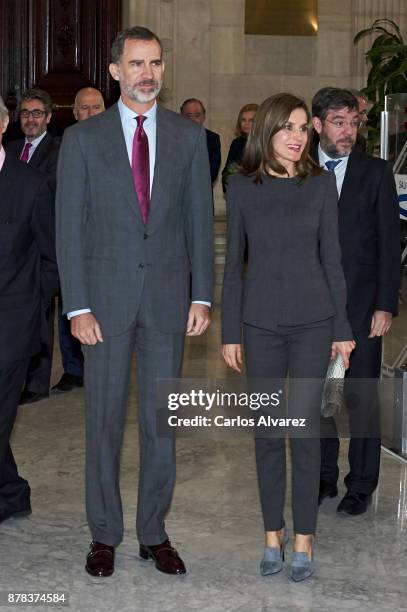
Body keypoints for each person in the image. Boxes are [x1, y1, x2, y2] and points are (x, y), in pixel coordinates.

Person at [56, 26, 213, 578]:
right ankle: (104, 534)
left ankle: (153, 532)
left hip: (169, 302)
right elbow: (68, 230)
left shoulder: (189, 138)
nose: (149, 74)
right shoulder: (82, 140)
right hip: (103, 304)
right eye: (137, 64)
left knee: (160, 423)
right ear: (116, 71)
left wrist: (201, 294)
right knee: (101, 423)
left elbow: (198, 221)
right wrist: (77, 307)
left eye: (156, 64)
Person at [221, 93, 354, 581]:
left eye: (303, 128)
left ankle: (304, 538)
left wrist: (342, 329)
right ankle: (271, 534)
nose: (299, 137)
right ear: (268, 133)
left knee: (304, 432)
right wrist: (229, 331)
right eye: (289, 128)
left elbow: (332, 261)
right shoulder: (242, 187)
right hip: (259, 326)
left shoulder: (320, 188)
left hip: (314, 323)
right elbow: (234, 265)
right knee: (267, 435)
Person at [311, 87, 400, 516]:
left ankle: (361, 484)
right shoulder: (298, 167)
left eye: (353, 123)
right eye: (338, 122)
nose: (348, 132)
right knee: (318, 397)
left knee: (361, 398)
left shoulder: (375, 172)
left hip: (363, 309)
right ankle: (322, 477)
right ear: (317, 125)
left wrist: (385, 304)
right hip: (310, 311)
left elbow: (389, 243)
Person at [0, 97, 57, 523]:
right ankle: (12, 492)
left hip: (11, 325)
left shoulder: (31, 184)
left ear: (3, 125)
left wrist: (34, 306)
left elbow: (51, 256)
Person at [6, 88, 60, 405]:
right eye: (25, 113)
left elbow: (47, 190)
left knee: (41, 315)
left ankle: (38, 383)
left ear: (48, 118)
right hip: (14, 244)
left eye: (37, 113)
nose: (30, 119)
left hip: (42, 240)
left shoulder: (58, 151)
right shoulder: (10, 149)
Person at [52, 87, 106, 395]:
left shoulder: (117, 144)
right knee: (71, 308)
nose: (89, 113)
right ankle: (73, 369)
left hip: (105, 248)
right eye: (83, 108)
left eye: (95, 107)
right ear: (74, 113)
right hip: (72, 242)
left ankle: (99, 370)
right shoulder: (65, 145)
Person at [180, 98, 221, 184]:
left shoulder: (213, 139)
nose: (193, 120)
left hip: (203, 191)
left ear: (204, 117)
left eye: (197, 116)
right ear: (181, 117)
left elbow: (212, 173)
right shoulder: (171, 138)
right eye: (189, 116)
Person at [221, 103, 258, 193]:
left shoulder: (267, 143)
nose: (246, 123)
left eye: (251, 120)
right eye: (243, 120)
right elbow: (227, 171)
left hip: (259, 192)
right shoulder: (236, 143)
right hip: (237, 191)